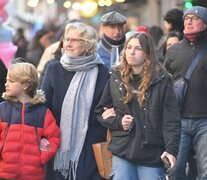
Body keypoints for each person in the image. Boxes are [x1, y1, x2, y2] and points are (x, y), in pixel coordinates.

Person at [95, 32, 181, 180]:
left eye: (138, 48)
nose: (132, 52)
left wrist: (171, 150)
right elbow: (100, 111)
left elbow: (171, 121)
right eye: (128, 47)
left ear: (147, 53)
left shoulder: (161, 80)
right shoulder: (116, 76)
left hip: (152, 154)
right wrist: (118, 122)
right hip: (123, 150)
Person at [41, 22, 109, 180]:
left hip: (92, 144)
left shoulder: (103, 73)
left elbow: (106, 108)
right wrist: (44, 137)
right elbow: (44, 107)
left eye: (75, 40)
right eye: (66, 39)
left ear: (88, 44)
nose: (68, 44)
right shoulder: (54, 69)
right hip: (58, 142)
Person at [164, 6, 207, 180]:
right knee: (174, 170)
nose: (188, 21)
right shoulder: (173, 50)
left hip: (205, 121)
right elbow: (164, 84)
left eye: (194, 18)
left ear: (204, 24)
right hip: (178, 121)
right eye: (186, 18)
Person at [0, 61, 60, 180]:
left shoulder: (43, 112)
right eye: (7, 80)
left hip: (34, 175)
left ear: (25, 85)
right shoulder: (2, 109)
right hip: (4, 174)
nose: (6, 84)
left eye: (11, 81)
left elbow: (54, 137)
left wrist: (42, 157)